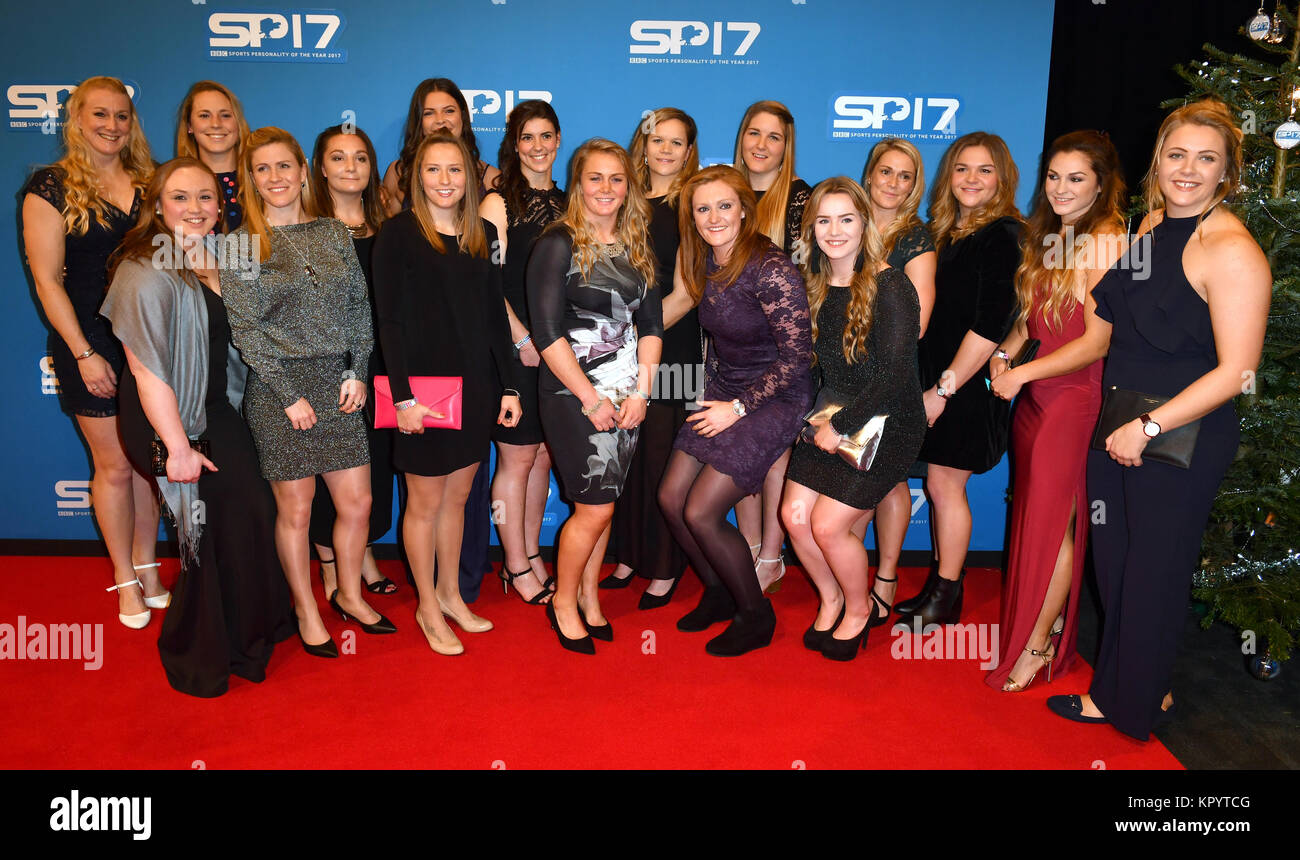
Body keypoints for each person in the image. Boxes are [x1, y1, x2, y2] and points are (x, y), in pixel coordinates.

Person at [1048, 99, 1269, 740]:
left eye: (1208, 160)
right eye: (1178, 155)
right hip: (1118, 421)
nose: (1189, 170)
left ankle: (1127, 705)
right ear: (1158, 160)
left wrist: (1149, 428)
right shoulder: (1148, 225)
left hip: (1178, 436)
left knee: (1154, 572)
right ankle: (1141, 684)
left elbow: (1237, 372)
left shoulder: (1232, 250)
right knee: (1116, 566)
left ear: (1227, 172)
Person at [102, 157, 295, 696]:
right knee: (206, 528)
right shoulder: (143, 269)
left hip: (216, 407)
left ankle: (254, 630)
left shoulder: (223, 254)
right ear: (158, 204)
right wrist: (179, 449)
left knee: (253, 509)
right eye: (180, 197)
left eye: (205, 197)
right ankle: (199, 651)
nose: (195, 208)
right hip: (165, 419)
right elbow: (144, 369)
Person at [221, 126, 388, 658]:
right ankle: (306, 607)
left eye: (284, 166)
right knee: (296, 511)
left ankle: (349, 593)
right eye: (263, 169)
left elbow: (359, 309)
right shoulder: (242, 244)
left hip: (340, 385)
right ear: (250, 179)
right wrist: (289, 395)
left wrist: (357, 371)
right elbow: (246, 330)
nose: (276, 178)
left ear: (302, 172)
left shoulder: (333, 232)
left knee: (357, 502)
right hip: (279, 392)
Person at [21, 76, 164, 628]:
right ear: (76, 119)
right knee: (113, 466)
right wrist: (83, 352)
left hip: (149, 341)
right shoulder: (50, 186)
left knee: (148, 465)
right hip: (90, 342)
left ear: (132, 123)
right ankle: (125, 579)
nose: (111, 126)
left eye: (121, 116)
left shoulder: (152, 182)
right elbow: (48, 281)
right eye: (99, 115)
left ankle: (149, 567)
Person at [985, 131, 1127, 692]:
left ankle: (1039, 645)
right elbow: (1033, 320)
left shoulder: (1107, 240)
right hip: (1037, 398)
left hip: (1074, 400)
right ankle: (1039, 629)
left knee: (1055, 527)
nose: (1062, 188)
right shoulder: (1054, 235)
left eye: (1077, 178)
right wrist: (1004, 354)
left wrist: (1021, 373)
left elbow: (1097, 342)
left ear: (1101, 183)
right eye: (1054, 176)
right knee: (1038, 521)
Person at [373, 131, 522, 656]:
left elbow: (492, 318)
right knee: (424, 501)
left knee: (458, 497)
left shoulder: (482, 231)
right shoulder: (397, 234)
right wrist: (404, 398)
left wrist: (508, 384)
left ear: (469, 177)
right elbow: (387, 322)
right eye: (433, 170)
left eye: (454, 170)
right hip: (423, 390)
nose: (444, 180)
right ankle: (427, 607)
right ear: (417, 177)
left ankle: (451, 594)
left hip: (475, 387)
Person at [657, 165, 813, 656]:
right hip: (725, 389)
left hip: (777, 397)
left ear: (745, 208)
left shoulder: (772, 268)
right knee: (670, 498)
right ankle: (722, 591)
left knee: (702, 511)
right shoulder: (706, 260)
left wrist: (737, 408)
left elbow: (796, 359)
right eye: (703, 209)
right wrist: (712, 394)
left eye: (724, 206)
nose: (713, 217)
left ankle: (755, 614)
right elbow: (718, 343)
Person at [528, 138, 663, 654]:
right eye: (595, 178)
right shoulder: (558, 243)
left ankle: (588, 592)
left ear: (628, 187)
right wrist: (589, 398)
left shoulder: (636, 245)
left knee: (603, 502)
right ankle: (563, 601)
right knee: (594, 509)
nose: (606, 188)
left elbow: (650, 324)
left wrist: (643, 393)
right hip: (572, 394)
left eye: (617, 178)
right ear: (578, 183)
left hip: (627, 394)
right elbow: (544, 331)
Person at [781, 177, 924, 661]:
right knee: (793, 517)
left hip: (891, 418)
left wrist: (838, 426)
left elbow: (895, 375)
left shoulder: (891, 285)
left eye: (846, 219)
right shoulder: (817, 284)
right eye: (824, 220)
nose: (835, 230)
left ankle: (861, 610)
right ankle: (832, 597)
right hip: (833, 408)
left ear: (864, 223)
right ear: (811, 229)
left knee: (826, 527)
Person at [895, 132, 1022, 628]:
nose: (972, 179)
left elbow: (991, 325)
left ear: (1002, 179)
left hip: (963, 386)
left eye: (984, 170)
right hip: (933, 381)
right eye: (962, 168)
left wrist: (943, 389)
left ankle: (946, 596)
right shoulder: (942, 233)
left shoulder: (1005, 235)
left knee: (947, 486)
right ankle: (941, 588)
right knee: (941, 483)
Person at [601, 107, 701, 609]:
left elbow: (687, 291)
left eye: (676, 142)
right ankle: (627, 554)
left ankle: (663, 567)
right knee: (628, 456)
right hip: (621, 348)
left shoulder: (691, 205)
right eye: (655, 140)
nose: (664, 150)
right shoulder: (625, 201)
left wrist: (641, 333)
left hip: (673, 347)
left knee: (662, 460)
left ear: (689, 151)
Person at [479, 100, 565, 605]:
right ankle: (512, 564)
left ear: (558, 141)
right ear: (515, 145)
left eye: (546, 136)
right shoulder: (498, 203)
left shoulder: (570, 200)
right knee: (515, 460)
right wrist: (520, 338)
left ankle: (531, 554)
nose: (537, 147)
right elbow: (491, 281)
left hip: (559, 350)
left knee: (542, 458)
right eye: (527, 137)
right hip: (517, 346)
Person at [307, 124, 397, 597]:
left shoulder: (388, 225)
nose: (350, 167)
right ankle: (327, 561)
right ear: (320, 168)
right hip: (326, 367)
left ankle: (362, 556)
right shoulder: (305, 230)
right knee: (333, 467)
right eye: (338, 158)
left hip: (380, 364)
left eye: (360, 158)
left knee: (372, 466)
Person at [730, 100, 813, 592]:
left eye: (773, 137)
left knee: (777, 456)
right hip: (731, 349)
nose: (761, 145)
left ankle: (770, 556)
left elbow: (809, 281)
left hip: (783, 353)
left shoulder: (800, 200)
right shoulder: (727, 191)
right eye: (753, 133)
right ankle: (744, 549)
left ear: (787, 146)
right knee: (740, 450)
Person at [853, 139, 936, 620]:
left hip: (889, 373)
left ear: (914, 186)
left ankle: (885, 574)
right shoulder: (850, 224)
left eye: (905, 176)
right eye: (886, 172)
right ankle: (850, 570)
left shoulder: (916, 240)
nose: (894, 183)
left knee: (889, 480)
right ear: (870, 174)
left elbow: (918, 321)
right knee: (852, 474)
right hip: (841, 373)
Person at [381, 77, 499, 215]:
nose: (440, 120)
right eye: (429, 113)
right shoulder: (399, 173)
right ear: (419, 121)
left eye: (449, 111)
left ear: (462, 115)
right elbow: (390, 230)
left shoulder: (491, 178)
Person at [174, 81, 250, 231]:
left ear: (238, 124)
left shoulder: (261, 180)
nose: (216, 124)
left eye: (226, 115)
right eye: (204, 115)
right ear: (189, 125)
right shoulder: (172, 185)